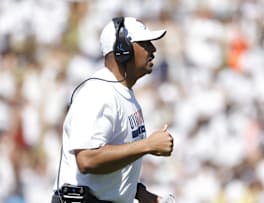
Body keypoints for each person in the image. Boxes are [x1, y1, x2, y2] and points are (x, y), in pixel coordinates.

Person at [51, 16, 174, 203]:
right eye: (145, 43)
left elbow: (117, 163)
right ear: (123, 50)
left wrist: (144, 196)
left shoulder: (124, 94)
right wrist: (147, 145)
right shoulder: (98, 92)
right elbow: (87, 160)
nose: (153, 49)